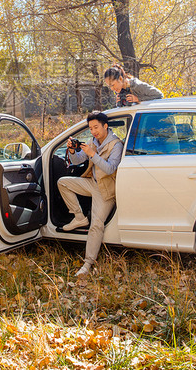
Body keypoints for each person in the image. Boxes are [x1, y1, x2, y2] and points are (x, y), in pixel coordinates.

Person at [57, 111, 124, 277]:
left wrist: (92, 155)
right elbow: (78, 160)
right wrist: (73, 151)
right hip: (92, 183)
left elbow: (110, 169)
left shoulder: (116, 145)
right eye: (91, 128)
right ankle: (79, 217)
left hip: (106, 190)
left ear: (105, 126)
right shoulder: (93, 141)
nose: (93, 131)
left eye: (96, 127)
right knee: (63, 182)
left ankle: (87, 263)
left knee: (96, 224)